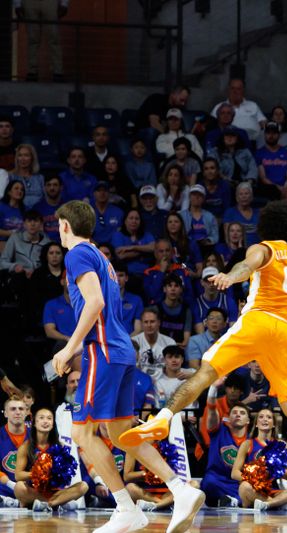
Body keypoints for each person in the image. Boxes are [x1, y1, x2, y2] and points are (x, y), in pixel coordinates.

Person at [120, 185, 287, 503]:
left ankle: (160, 420)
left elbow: (249, 265)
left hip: (255, 323)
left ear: (266, 225)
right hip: (284, 333)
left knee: (205, 372)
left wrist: (230, 275)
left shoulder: (263, 248)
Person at [49, 200, 203, 533]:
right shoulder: (100, 256)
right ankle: (180, 489)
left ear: (64, 225)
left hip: (102, 350)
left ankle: (125, 507)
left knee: (82, 432)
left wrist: (69, 348)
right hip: (120, 350)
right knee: (119, 433)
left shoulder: (76, 254)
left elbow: (95, 302)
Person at [232, 407, 287, 510]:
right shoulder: (247, 444)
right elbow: (234, 473)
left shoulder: (281, 445)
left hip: (273, 491)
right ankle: (280, 503)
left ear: (273, 424)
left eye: (269, 417)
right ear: (256, 423)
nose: (265, 419)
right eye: (261, 417)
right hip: (254, 489)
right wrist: (255, 478)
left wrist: (274, 468)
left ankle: (269, 504)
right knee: (244, 487)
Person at [14, 407, 87, 511]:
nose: (45, 421)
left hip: (55, 491)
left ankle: (49, 504)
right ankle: (58, 503)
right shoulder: (26, 447)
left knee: (83, 486)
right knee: (19, 487)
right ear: (34, 423)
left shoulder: (60, 445)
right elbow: (18, 475)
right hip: (35, 490)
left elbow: (67, 476)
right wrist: (39, 474)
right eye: (41, 418)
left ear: (53, 424)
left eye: (49, 418)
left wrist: (59, 474)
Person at [15, 0, 68, 81]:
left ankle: (58, 72)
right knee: (33, 39)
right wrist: (17, 4)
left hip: (50, 3)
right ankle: (32, 72)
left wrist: (65, 3)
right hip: (30, 3)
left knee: (54, 38)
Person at [210, 78, 268, 149]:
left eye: (238, 89)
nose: (235, 91)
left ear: (243, 90)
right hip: (227, 143)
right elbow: (212, 126)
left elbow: (264, 124)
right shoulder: (219, 107)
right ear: (228, 90)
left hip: (252, 142)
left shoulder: (253, 105)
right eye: (232, 88)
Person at [255, 122, 287, 196]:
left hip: (285, 187)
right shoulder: (259, 153)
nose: (271, 136)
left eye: (274, 133)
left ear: (279, 135)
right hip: (268, 188)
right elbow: (263, 178)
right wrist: (277, 187)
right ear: (264, 135)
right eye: (268, 133)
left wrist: (285, 188)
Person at [0, 397, 28, 507]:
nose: (17, 412)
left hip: (29, 489)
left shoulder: (36, 437)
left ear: (26, 412)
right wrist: (11, 485)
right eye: (13, 409)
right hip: (4, 489)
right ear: (5, 413)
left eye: (21, 409)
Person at [9, 144, 44, 208]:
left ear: (32, 158)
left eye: (26, 155)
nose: (23, 159)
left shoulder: (40, 178)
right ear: (17, 158)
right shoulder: (10, 177)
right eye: (20, 155)